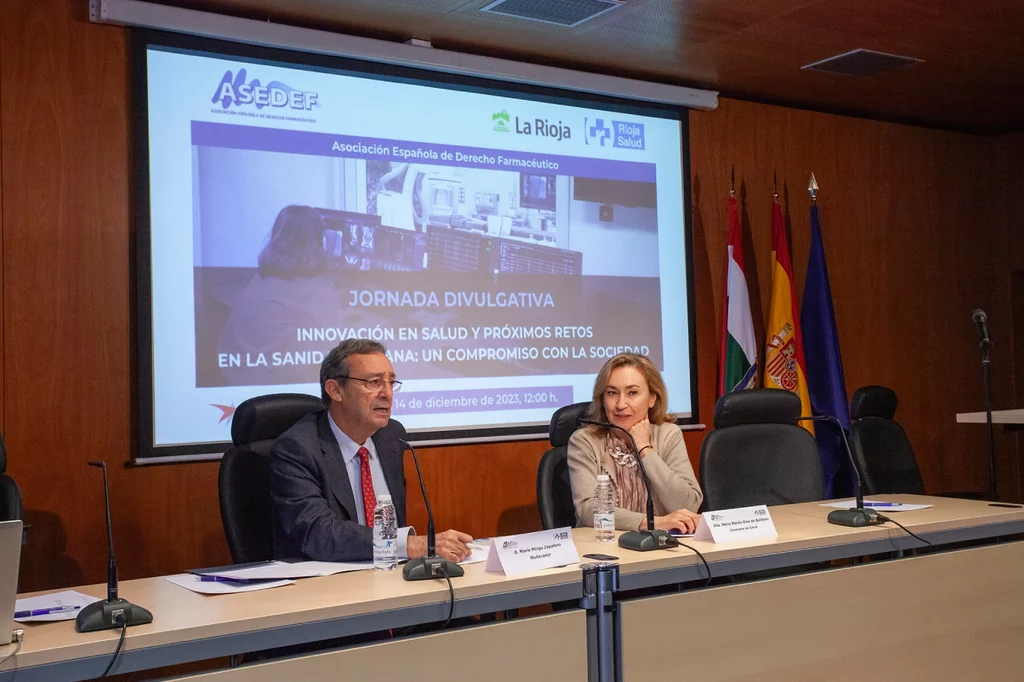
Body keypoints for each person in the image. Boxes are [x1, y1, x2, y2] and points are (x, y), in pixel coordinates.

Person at [270, 338, 473, 562]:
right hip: (322, 583)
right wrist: (410, 543)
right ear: (335, 390)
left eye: (391, 382)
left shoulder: (391, 437)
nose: (387, 393)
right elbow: (318, 534)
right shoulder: (297, 449)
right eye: (374, 382)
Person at [568, 353, 703, 533]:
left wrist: (645, 450)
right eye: (612, 393)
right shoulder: (585, 441)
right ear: (602, 399)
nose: (621, 404)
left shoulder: (668, 435)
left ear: (652, 398)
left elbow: (689, 505)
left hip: (661, 550)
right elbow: (588, 510)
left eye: (632, 392)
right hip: (604, 546)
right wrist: (652, 523)